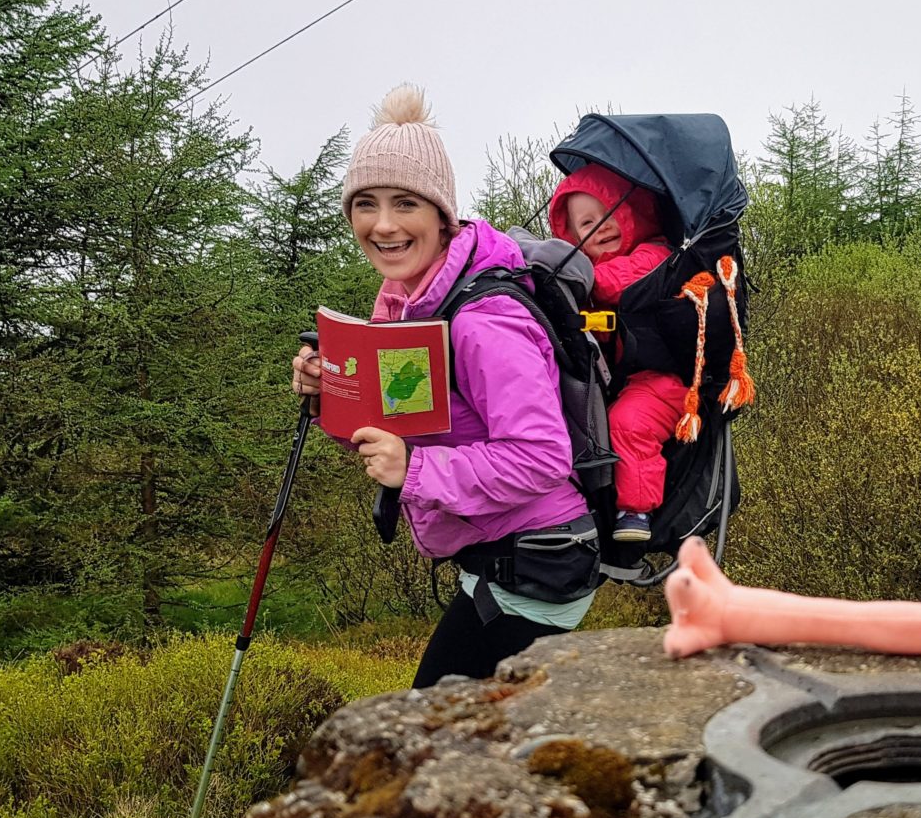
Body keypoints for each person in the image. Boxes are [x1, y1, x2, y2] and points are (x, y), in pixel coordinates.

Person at [291, 84, 596, 687]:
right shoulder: (407, 305)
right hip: (494, 559)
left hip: (535, 566)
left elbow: (542, 457)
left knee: (435, 742)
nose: (382, 225)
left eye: (405, 203)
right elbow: (399, 435)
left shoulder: (483, 321)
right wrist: (329, 394)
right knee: (461, 745)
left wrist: (416, 470)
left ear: (442, 215)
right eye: (365, 204)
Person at [547, 163, 685, 544]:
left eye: (610, 214)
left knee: (628, 424)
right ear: (572, 234)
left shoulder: (656, 255)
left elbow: (615, 283)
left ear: (632, 211)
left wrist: (564, 276)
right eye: (586, 223)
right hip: (615, 381)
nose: (601, 226)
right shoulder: (589, 269)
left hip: (665, 381)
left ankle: (635, 512)